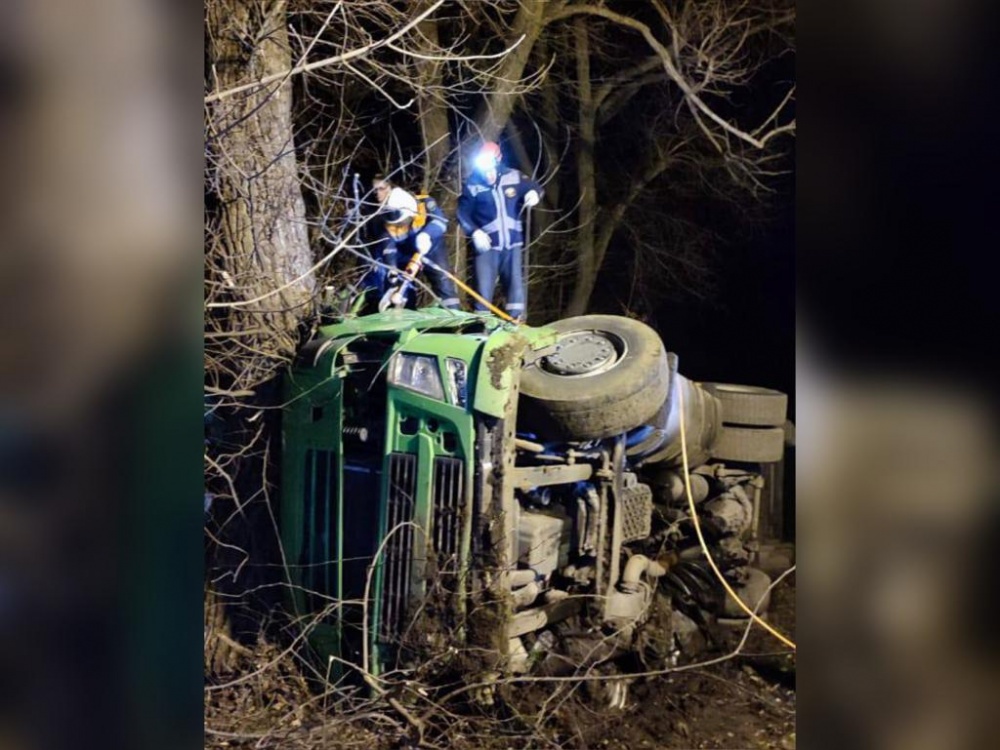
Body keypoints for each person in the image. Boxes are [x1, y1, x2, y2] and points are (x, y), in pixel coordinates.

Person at [457, 141, 541, 321]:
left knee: (515, 287)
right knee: (483, 290)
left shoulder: (514, 177)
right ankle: (481, 327)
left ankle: (515, 323)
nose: (488, 175)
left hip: (513, 245)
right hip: (487, 247)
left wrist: (533, 194)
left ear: (499, 160)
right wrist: (474, 232)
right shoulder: (472, 184)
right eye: (484, 171)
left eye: (491, 170)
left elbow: (534, 187)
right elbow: (462, 213)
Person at [372, 180, 460, 310]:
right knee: (398, 285)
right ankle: (403, 317)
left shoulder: (425, 204)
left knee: (444, 284)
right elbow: (387, 242)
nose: (400, 225)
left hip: (432, 249)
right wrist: (392, 267)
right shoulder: (387, 214)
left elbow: (441, 221)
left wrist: (427, 234)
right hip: (404, 251)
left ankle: (454, 319)